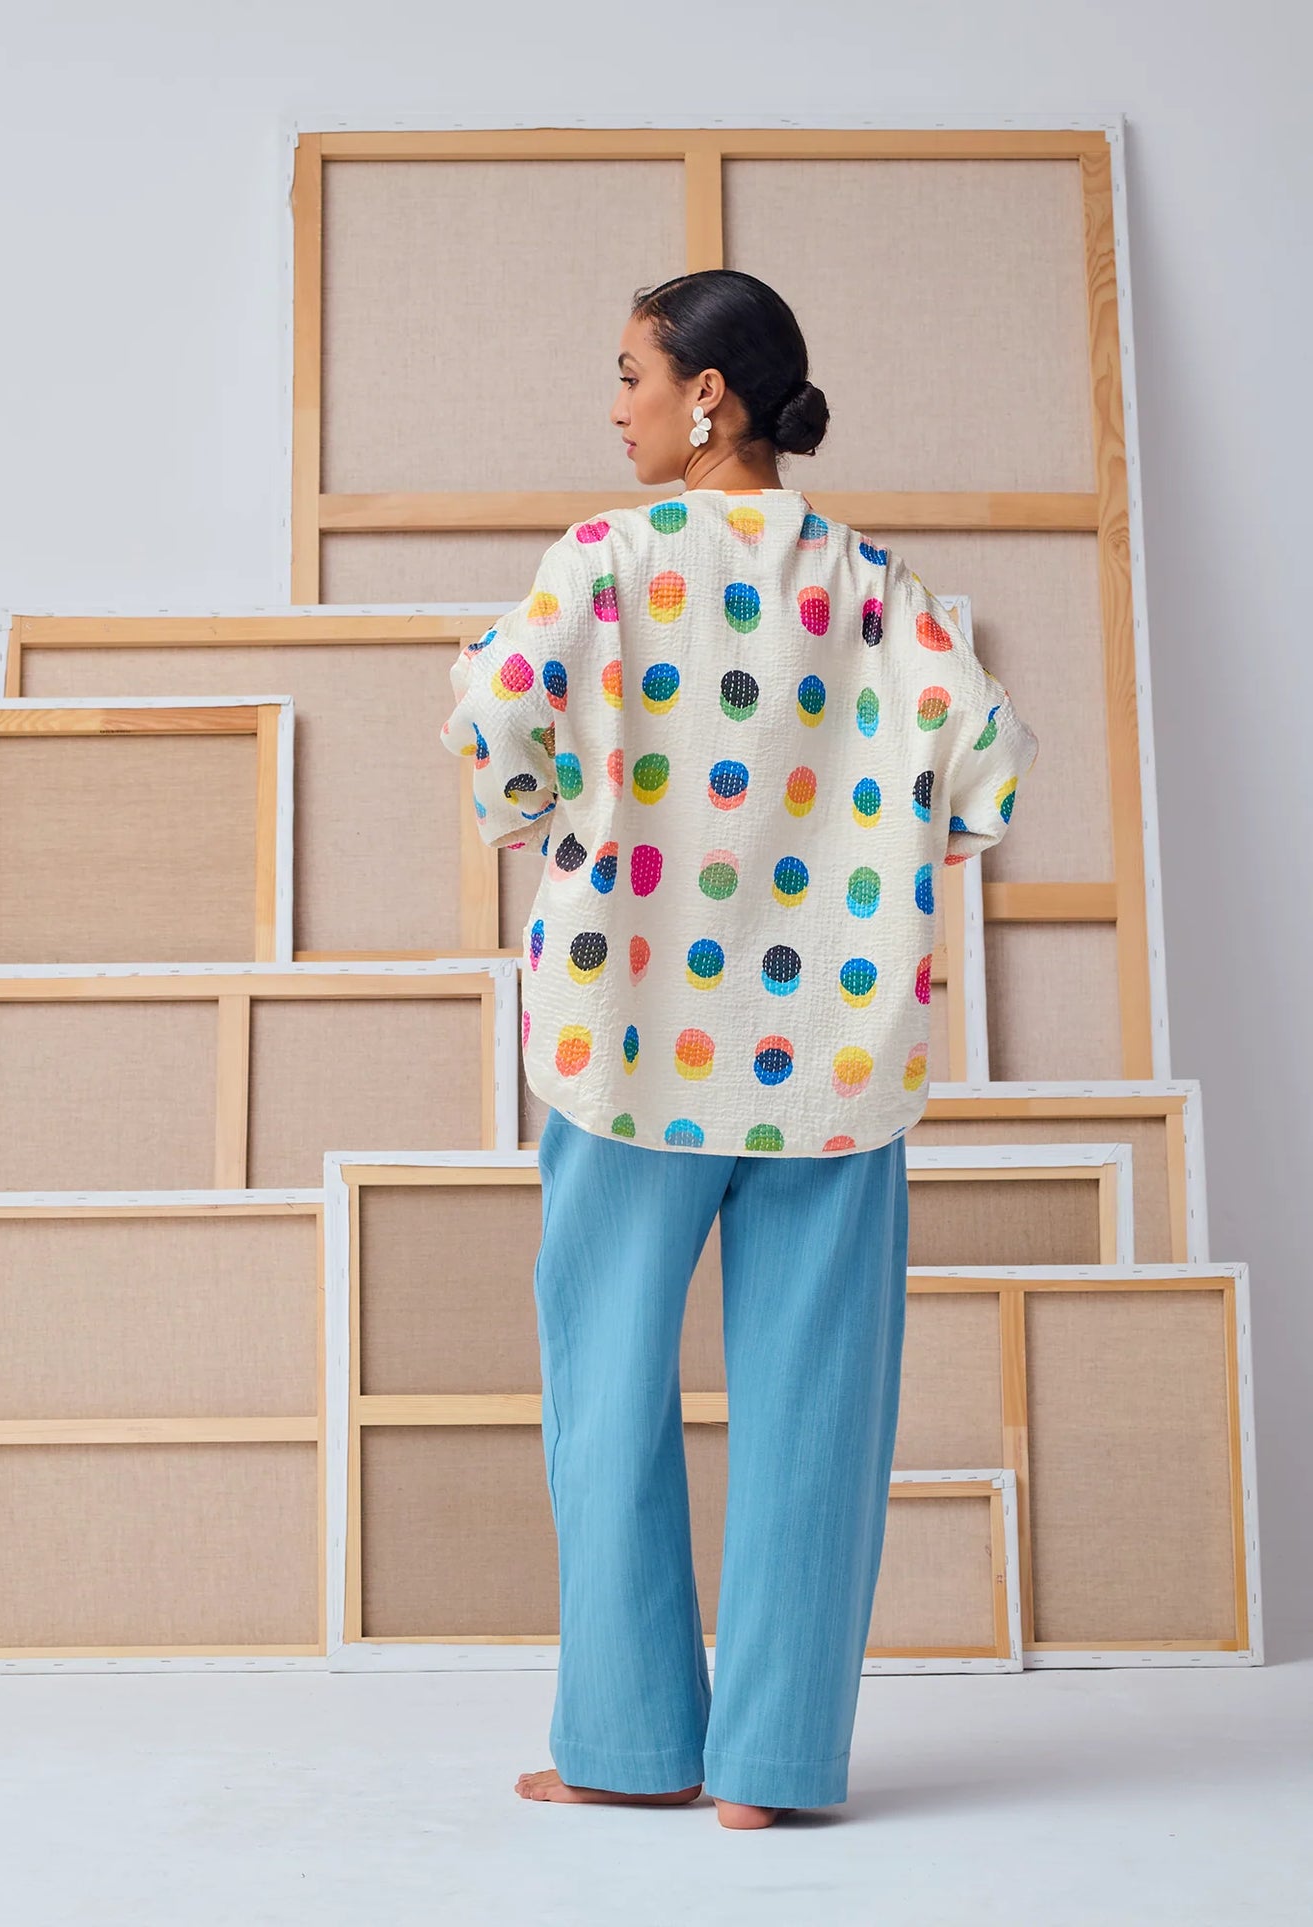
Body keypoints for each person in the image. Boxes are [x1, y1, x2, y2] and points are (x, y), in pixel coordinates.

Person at [439, 269, 1039, 1829]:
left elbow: (494, 719)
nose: (615, 406)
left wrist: (544, 818)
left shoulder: (608, 561)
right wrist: (884, 855)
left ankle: (626, 1742)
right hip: (831, 1052)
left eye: (629, 373)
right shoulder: (873, 585)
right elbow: (987, 758)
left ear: (705, 393)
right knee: (815, 1411)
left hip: (629, 1039)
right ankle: (772, 1771)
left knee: (603, 1398)